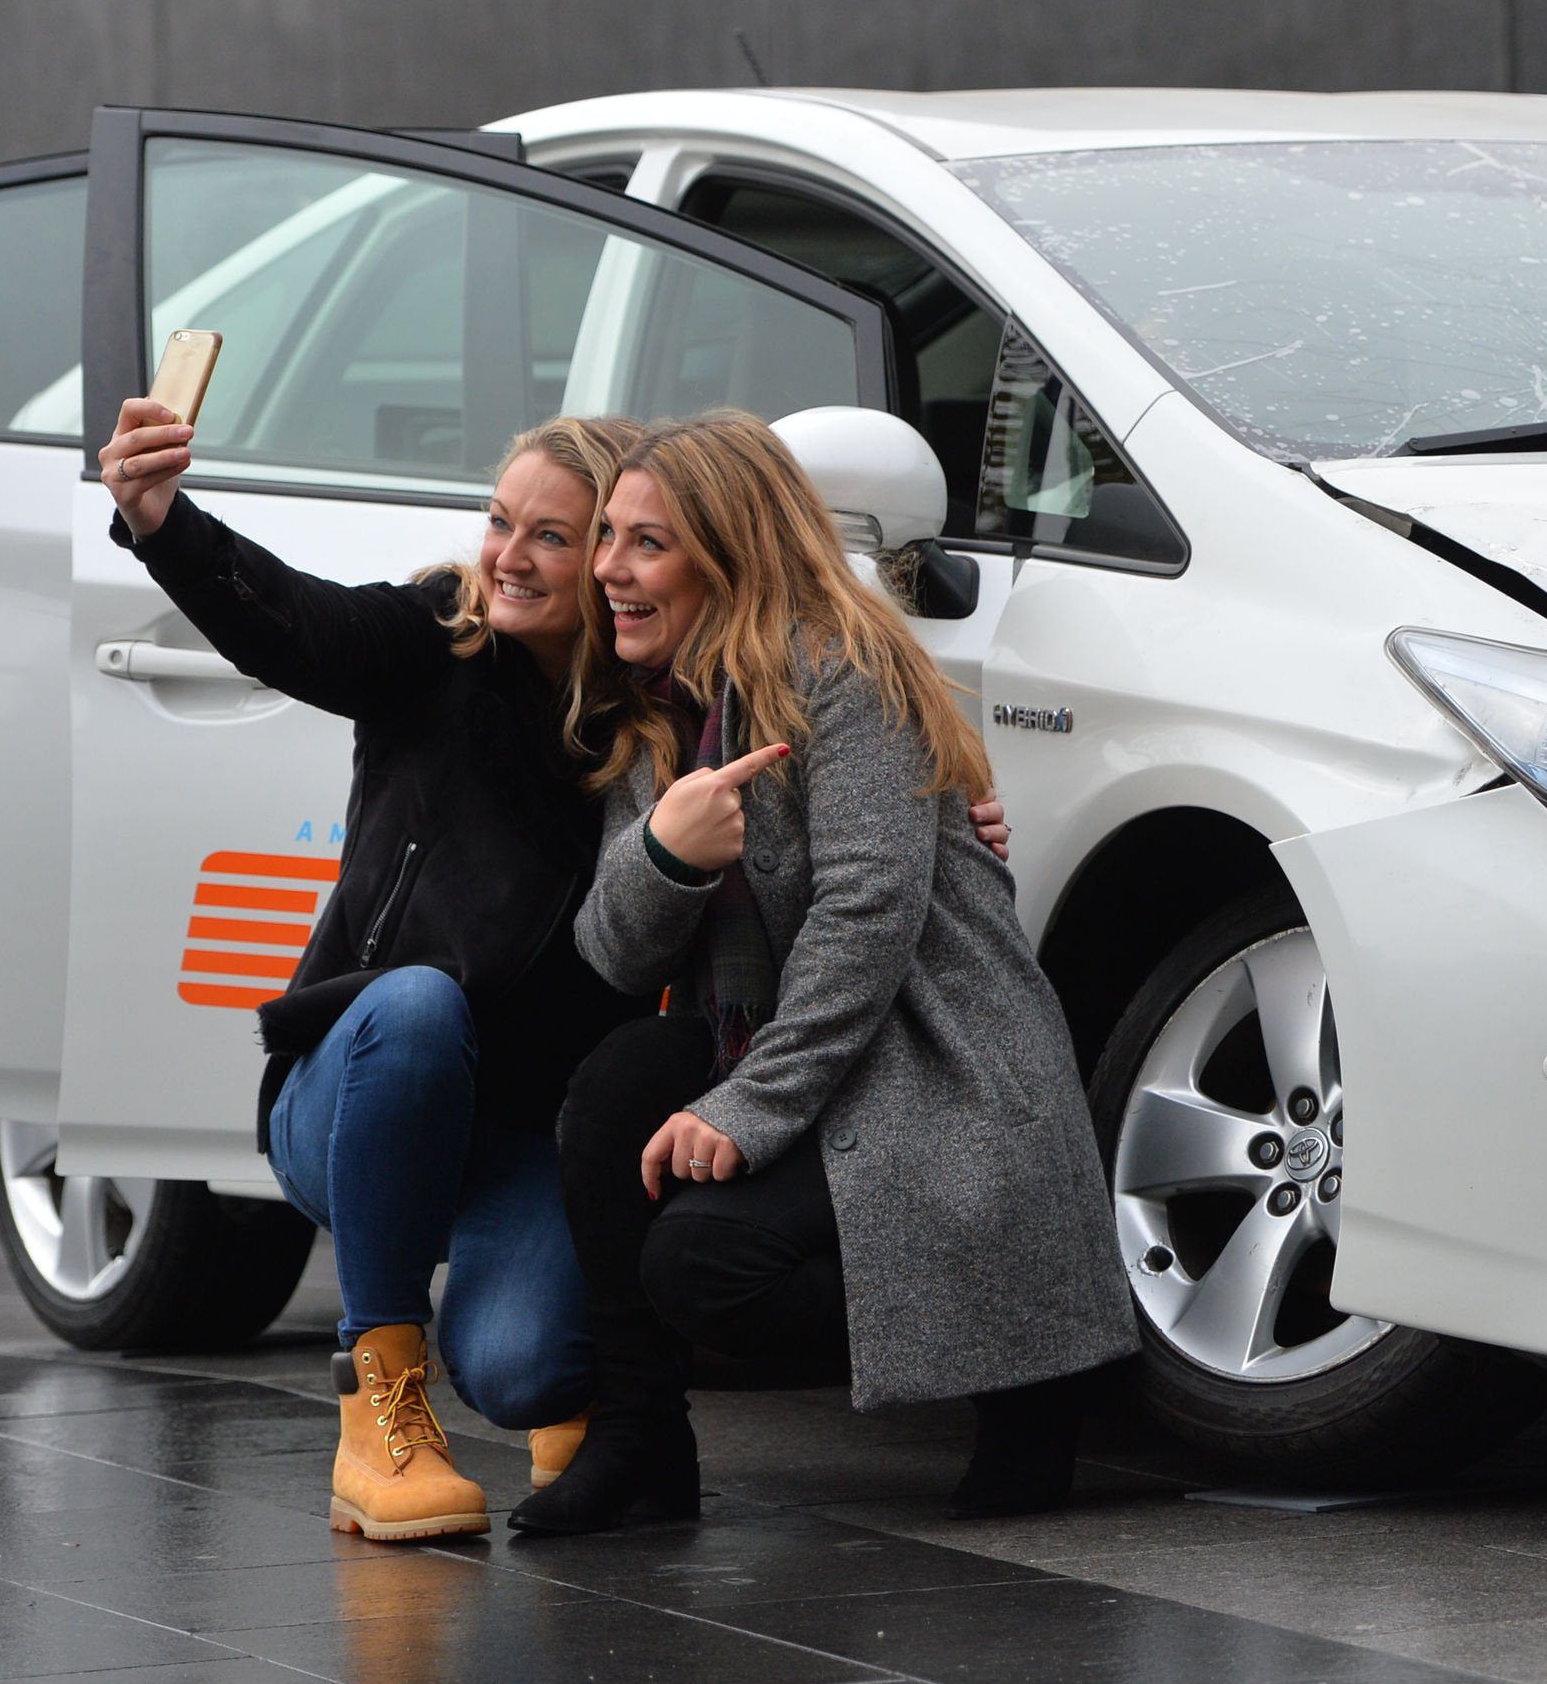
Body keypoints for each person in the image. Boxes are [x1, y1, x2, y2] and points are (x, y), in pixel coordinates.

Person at [97, 396, 1013, 1544]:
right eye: (499, 520)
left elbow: (815, 845)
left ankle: (570, 1391)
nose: (508, 556)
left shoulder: (671, 704)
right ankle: (379, 1400)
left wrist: (941, 810)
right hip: (361, 1092)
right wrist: (162, 520)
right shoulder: (439, 637)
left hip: (529, 1129)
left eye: (557, 535)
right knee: (421, 1006)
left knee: (529, 1370)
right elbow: (295, 623)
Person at [516, 411, 1133, 1535]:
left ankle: (1028, 1353)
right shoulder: (659, 704)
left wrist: (745, 1112)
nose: (609, 568)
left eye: (646, 542)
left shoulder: (844, 672)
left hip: (928, 1068)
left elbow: (866, 919)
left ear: (731, 547)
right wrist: (666, 851)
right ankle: (641, 1438)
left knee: (704, 1265)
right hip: (783, 1048)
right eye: (608, 536)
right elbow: (612, 953)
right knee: (614, 1083)